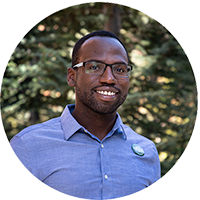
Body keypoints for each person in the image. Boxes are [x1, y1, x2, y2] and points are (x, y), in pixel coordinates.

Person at [10, 30, 160, 199]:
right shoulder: (27, 146)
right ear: (72, 77)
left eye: (119, 69)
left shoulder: (147, 152)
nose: (109, 79)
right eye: (94, 67)